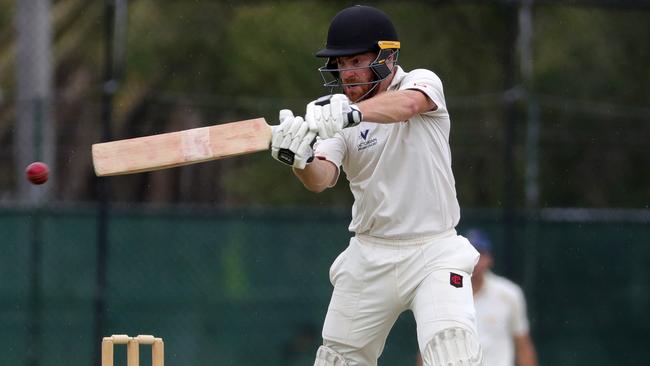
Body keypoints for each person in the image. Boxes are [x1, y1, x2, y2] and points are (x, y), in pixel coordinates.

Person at [270, 5, 483, 366]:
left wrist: (354, 113)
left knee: (453, 353)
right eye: (340, 64)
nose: (346, 73)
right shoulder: (336, 114)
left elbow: (408, 105)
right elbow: (321, 178)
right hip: (369, 256)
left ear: (387, 57)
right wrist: (300, 160)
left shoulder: (421, 82)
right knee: (338, 360)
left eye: (356, 61)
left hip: (433, 250)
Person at [464, 229, 538, 366]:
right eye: (468, 253)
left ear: (489, 259)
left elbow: (523, 346)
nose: (474, 260)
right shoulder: (446, 295)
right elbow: (430, 347)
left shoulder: (509, 294)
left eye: (480, 254)